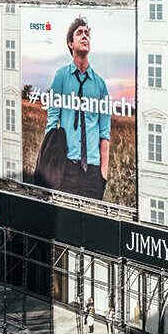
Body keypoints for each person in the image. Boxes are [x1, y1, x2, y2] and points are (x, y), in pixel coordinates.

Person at [43, 17, 112, 200]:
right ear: (70, 44)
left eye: (87, 33)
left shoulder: (100, 85)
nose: (85, 36)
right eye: (79, 33)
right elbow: (52, 121)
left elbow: (105, 134)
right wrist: (49, 165)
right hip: (66, 168)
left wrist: (102, 175)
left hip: (93, 172)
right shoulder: (61, 77)